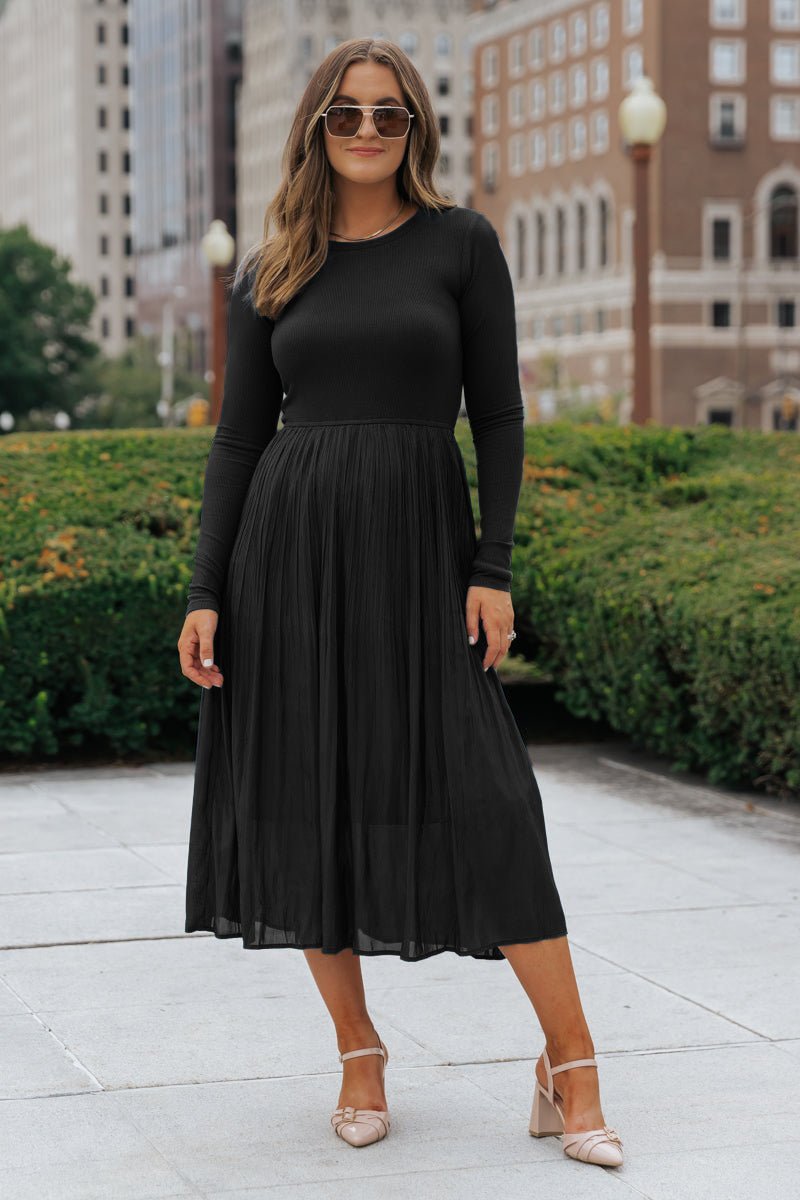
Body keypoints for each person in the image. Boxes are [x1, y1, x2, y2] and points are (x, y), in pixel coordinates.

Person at [177, 37, 623, 1168]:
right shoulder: (272, 263)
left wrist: (493, 565)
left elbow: (502, 416)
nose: (368, 132)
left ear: (417, 129)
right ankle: (358, 1050)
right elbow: (237, 439)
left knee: (490, 804)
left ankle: (568, 1065)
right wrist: (205, 590)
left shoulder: (460, 244)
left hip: (424, 554)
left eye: (389, 116)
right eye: (346, 114)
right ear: (314, 128)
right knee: (308, 803)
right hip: (290, 556)